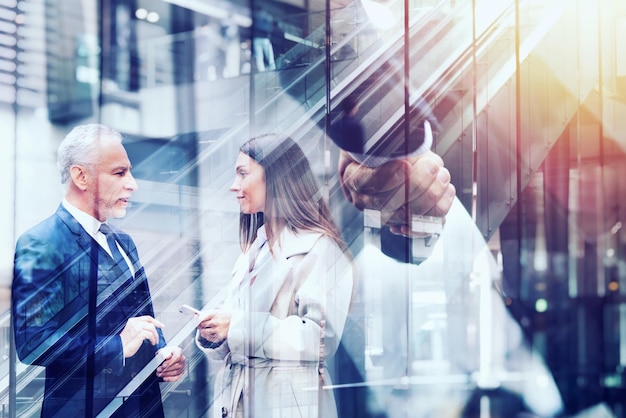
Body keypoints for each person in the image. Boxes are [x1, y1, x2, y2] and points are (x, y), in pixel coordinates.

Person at [12, 123, 186, 417]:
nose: (133, 184)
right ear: (81, 176)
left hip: (143, 406)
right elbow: (34, 343)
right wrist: (116, 346)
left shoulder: (124, 242)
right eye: (119, 173)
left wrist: (165, 353)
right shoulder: (41, 242)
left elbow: (141, 321)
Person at [194, 133, 355, 418]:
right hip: (240, 401)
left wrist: (237, 326)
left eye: (243, 174)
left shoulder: (320, 248)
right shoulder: (255, 248)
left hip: (288, 404)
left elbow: (320, 339)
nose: (234, 187)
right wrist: (215, 334)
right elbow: (237, 338)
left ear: (276, 176)